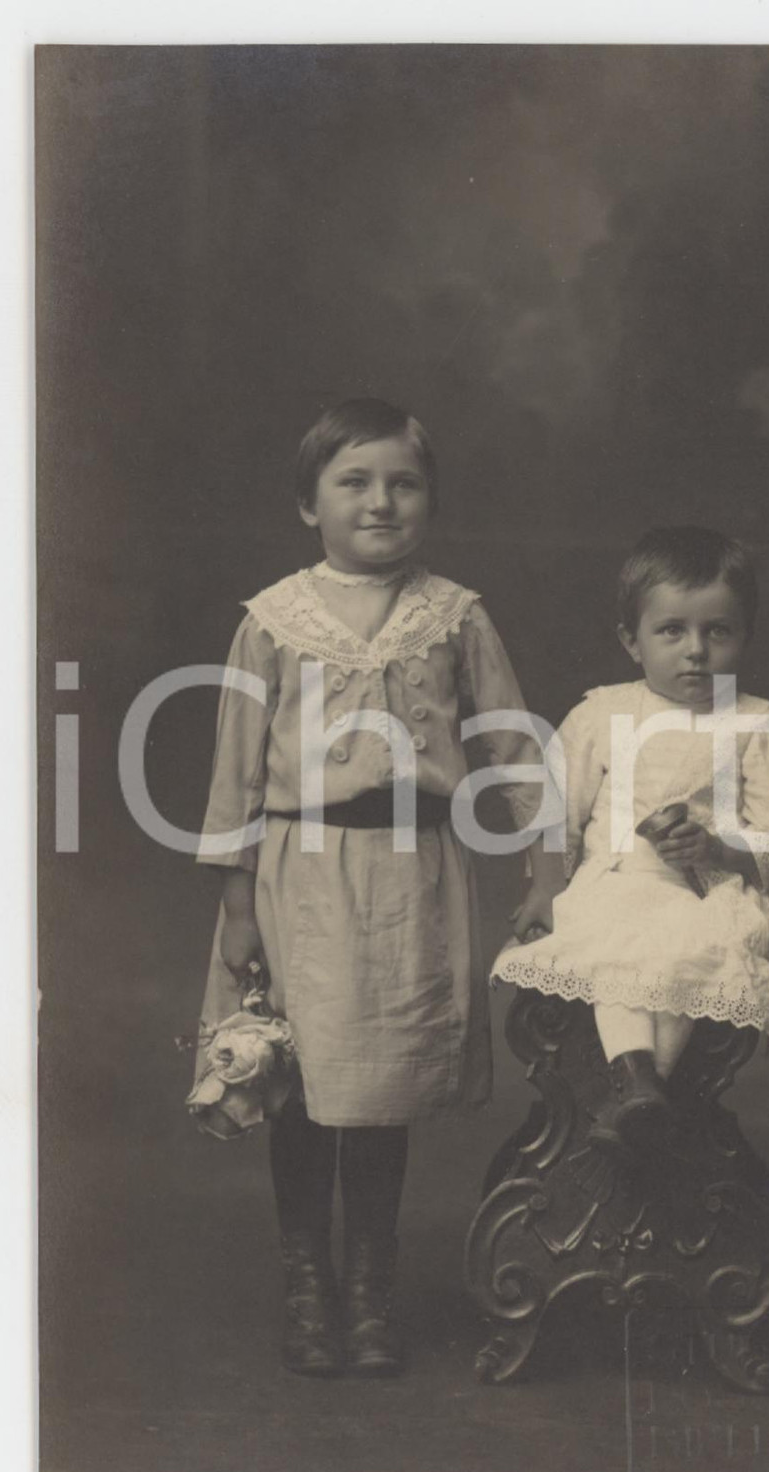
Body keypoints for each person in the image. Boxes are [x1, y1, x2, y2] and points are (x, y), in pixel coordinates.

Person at [194, 398, 561, 1378]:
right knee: (305, 1087)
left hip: (413, 875)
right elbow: (235, 768)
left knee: (379, 1090)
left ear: (428, 499)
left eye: (402, 481)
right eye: (353, 480)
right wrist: (237, 903)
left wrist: (545, 858)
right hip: (299, 877)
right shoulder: (273, 621)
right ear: (308, 504)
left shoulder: (454, 616)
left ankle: (370, 1287)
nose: (380, 499)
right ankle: (306, 1282)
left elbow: (511, 738)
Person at [492, 526, 769, 1151]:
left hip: (703, 891)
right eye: (672, 631)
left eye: (718, 631)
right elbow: (556, 808)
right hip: (614, 882)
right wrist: (544, 887)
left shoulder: (754, 724)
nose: (695, 650)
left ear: (744, 635)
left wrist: (719, 847)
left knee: (683, 954)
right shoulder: (602, 714)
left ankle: (639, 1093)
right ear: (631, 642)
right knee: (619, 954)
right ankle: (638, 1083)